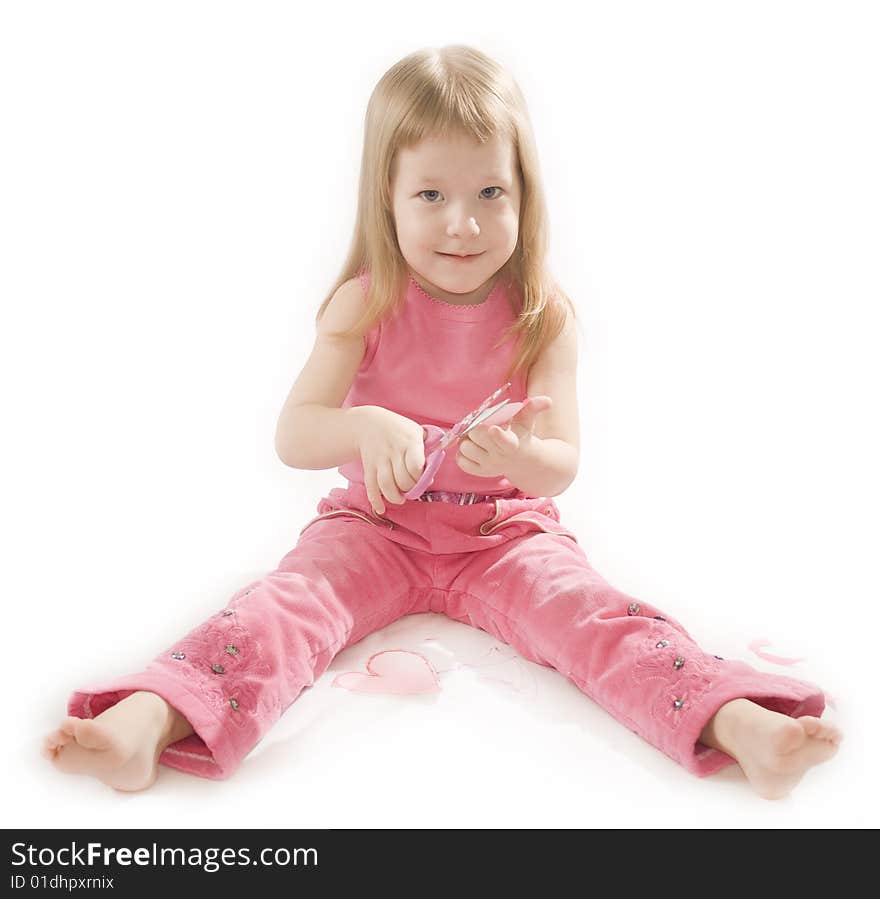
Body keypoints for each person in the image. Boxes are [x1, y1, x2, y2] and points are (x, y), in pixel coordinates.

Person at [41, 45, 842, 799]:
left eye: (490, 193)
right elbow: (294, 434)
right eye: (431, 195)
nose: (462, 223)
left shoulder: (544, 317)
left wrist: (522, 455)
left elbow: (563, 463)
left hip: (505, 534)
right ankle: (145, 721)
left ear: (525, 195)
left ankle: (742, 727)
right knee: (279, 612)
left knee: (599, 620)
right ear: (385, 199)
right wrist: (365, 427)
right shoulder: (363, 304)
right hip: (373, 527)